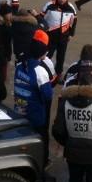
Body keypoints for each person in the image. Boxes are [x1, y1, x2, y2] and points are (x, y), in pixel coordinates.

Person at [14, 30, 56, 170]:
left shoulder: (20, 65)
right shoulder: (40, 71)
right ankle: (41, 164)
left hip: (20, 109)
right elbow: (48, 95)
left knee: (23, 139)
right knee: (40, 140)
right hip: (36, 114)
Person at [36, 0, 77, 76]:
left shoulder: (71, 8)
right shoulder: (50, 5)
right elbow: (41, 18)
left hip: (64, 37)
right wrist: (43, 31)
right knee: (47, 56)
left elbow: (74, 21)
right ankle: (43, 73)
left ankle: (58, 75)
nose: (62, 0)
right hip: (50, 37)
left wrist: (71, 34)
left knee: (61, 57)